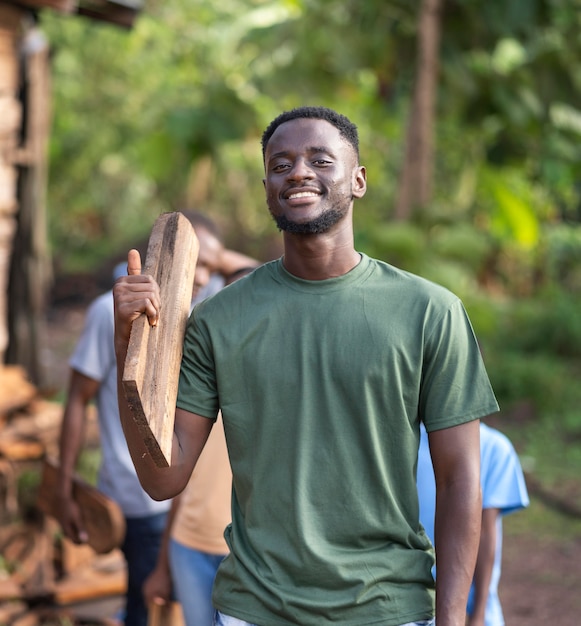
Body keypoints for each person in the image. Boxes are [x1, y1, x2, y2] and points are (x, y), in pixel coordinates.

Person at [113, 106, 500, 626]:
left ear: (358, 180)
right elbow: (164, 480)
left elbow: (460, 481)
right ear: (267, 187)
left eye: (320, 159)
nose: (297, 172)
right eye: (280, 164)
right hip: (257, 609)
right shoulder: (217, 321)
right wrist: (128, 346)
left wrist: (452, 620)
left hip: (388, 608)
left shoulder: (430, 312)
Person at [56, 211, 255, 626]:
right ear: (167, 258)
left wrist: (212, 255)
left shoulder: (203, 316)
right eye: (193, 262)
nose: (201, 276)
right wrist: (64, 488)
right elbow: (76, 400)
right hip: (137, 495)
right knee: (144, 608)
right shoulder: (107, 312)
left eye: (209, 266)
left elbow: (252, 274)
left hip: (190, 503)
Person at [142, 255, 257, 626]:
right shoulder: (199, 384)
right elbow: (179, 482)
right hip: (188, 547)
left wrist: (224, 259)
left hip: (248, 554)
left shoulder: (280, 388)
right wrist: (163, 565)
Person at [417, 421, 529, 626]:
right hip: (414, 601)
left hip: (465, 604)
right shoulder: (409, 443)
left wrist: (478, 614)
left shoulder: (494, 447)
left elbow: (486, 534)